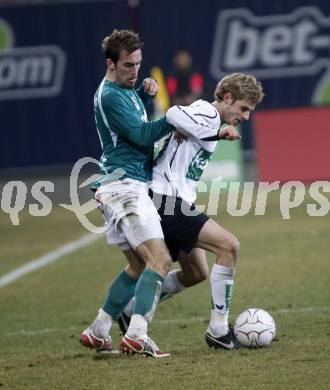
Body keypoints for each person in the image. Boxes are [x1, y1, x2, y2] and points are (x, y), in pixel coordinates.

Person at [117, 73, 264, 350]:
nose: (245, 116)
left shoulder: (208, 119)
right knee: (229, 247)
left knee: (196, 272)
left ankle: (129, 311)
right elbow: (173, 112)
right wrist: (214, 132)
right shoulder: (207, 112)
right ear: (228, 98)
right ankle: (218, 331)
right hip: (165, 199)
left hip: (174, 200)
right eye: (243, 108)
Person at [79, 29, 176, 358]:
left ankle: (98, 330)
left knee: (137, 266)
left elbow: (135, 125)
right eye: (128, 65)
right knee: (159, 260)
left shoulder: (127, 89)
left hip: (117, 186)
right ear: (110, 64)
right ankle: (137, 334)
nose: (135, 71)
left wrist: (147, 99)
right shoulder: (110, 95)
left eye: (138, 64)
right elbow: (141, 134)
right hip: (124, 186)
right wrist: (176, 116)